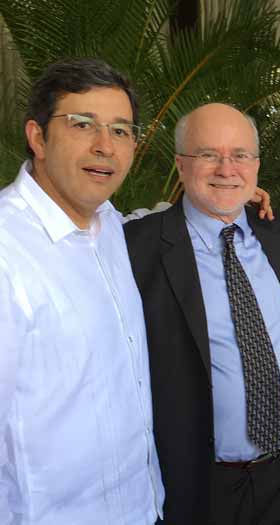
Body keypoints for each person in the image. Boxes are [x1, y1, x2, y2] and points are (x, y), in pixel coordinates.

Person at [0, 58, 164, 523]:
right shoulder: (7, 252)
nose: (104, 146)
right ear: (38, 137)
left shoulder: (110, 226)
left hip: (139, 506)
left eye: (120, 130)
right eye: (82, 124)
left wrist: (226, 197)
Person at [124, 103, 280, 525]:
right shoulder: (134, 247)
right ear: (181, 165)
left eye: (240, 155)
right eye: (208, 154)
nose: (227, 168)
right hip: (194, 484)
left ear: (256, 166)